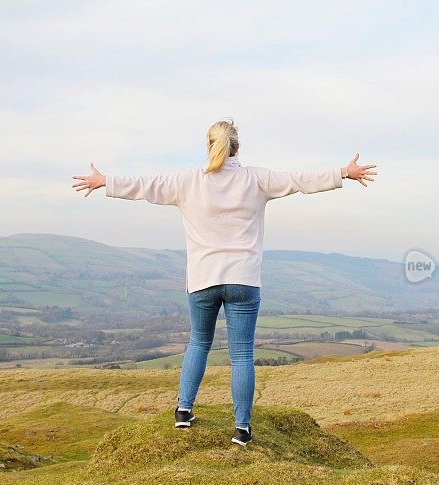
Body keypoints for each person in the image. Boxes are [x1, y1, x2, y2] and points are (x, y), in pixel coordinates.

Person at [71, 119, 376, 446]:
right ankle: (242, 429)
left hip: (203, 278)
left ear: (209, 146)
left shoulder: (188, 182)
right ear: (237, 148)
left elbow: (146, 186)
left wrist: (106, 181)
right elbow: (299, 180)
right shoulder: (256, 179)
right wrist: (342, 172)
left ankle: (183, 412)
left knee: (199, 342)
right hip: (244, 279)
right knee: (241, 354)